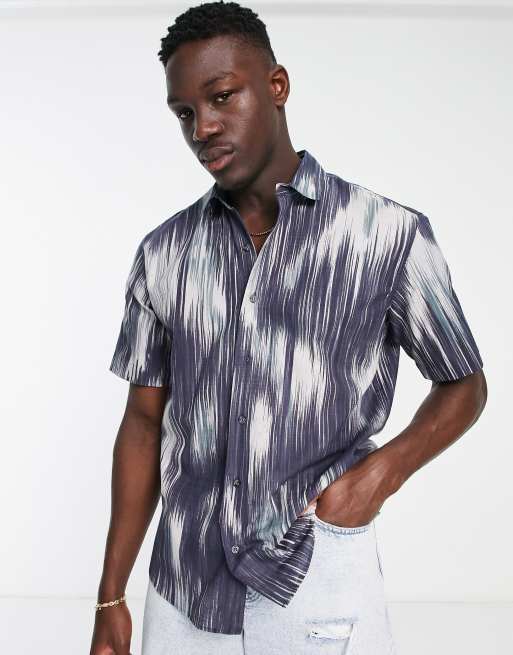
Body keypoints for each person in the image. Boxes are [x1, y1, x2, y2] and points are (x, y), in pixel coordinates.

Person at [89, 2, 487, 654]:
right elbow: (142, 421)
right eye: (184, 113)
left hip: (316, 573)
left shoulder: (386, 235)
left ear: (276, 86)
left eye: (222, 96)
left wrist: (374, 480)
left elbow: (463, 384)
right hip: (184, 592)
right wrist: (111, 594)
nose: (203, 127)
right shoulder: (162, 253)